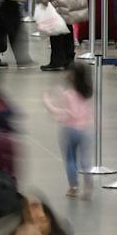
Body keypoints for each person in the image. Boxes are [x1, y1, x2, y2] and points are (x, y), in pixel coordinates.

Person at [43, 60, 94, 197]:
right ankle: (88, 186)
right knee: (85, 160)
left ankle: (73, 187)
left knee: (70, 158)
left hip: (70, 129)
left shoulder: (68, 94)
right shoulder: (87, 93)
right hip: (85, 130)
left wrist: (47, 100)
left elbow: (61, 111)